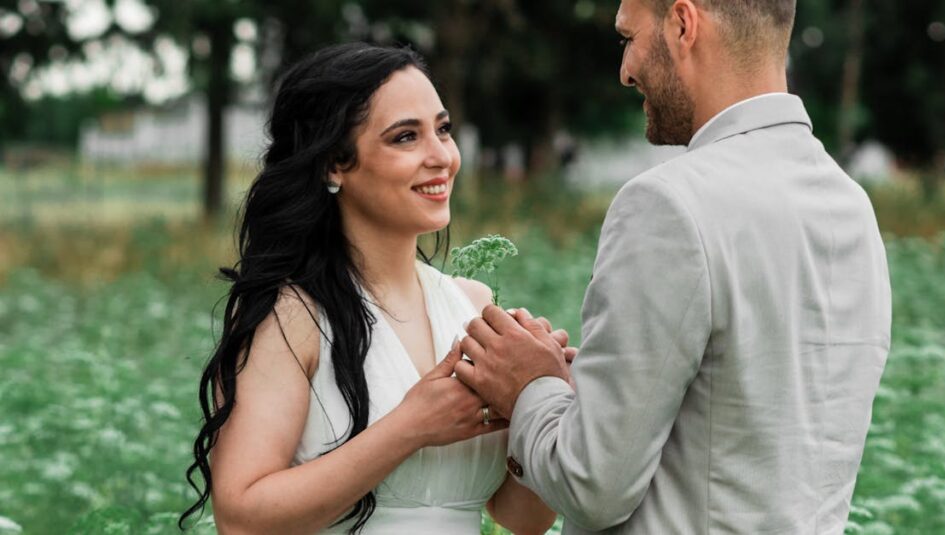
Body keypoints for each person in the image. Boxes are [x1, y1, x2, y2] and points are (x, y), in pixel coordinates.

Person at [454, 0, 892, 534]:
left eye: (628, 39)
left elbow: (592, 485)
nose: (625, 71)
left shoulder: (669, 204)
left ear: (683, 25)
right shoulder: (850, 206)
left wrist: (530, 386)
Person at [179, 43, 558, 534]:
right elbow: (241, 518)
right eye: (405, 137)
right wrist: (409, 428)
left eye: (442, 130)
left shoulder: (473, 307)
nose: (441, 156)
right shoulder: (293, 315)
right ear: (334, 163)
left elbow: (523, 519)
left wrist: (541, 395)